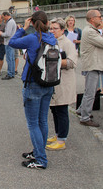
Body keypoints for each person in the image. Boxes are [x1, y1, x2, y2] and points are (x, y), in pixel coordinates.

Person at [9, 11, 56, 169]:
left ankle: (41, 159)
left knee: (33, 124)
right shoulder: (52, 38)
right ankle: (38, 151)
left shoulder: (32, 38)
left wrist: (23, 28)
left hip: (33, 83)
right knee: (42, 121)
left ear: (33, 23)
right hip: (48, 83)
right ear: (46, 22)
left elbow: (12, 42)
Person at [46, 18, 77, 151]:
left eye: (55, 28)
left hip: (64, 82)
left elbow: (71, 62)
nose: (52, 31)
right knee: (54, 109)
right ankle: (58, 134)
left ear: (62, 30)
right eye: (50, 28)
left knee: (62, 110)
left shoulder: (68, 43)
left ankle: (62, 140)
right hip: (53, 82)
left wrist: (55, 60)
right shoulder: (50, 41)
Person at [76, 10, 103, 127]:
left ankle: (81, 110)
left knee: (89, 91)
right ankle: (85, 117)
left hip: (93, 64)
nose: (101, 19)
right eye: (99, 17)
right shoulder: (90, 32)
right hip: (92, 65)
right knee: (90, 93)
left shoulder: (90, 30)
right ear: (92, 19)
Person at [0, 11, 17, 80]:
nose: (3, 19)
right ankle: (12, 73)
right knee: (11, 59)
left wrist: (1, 34)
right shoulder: (12, 21)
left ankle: (9, 74)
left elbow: (8, 34)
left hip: (9, 43)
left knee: (9, 59)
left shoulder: (10, 22)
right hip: (11, 42)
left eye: (3, 17)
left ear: (6, 16)